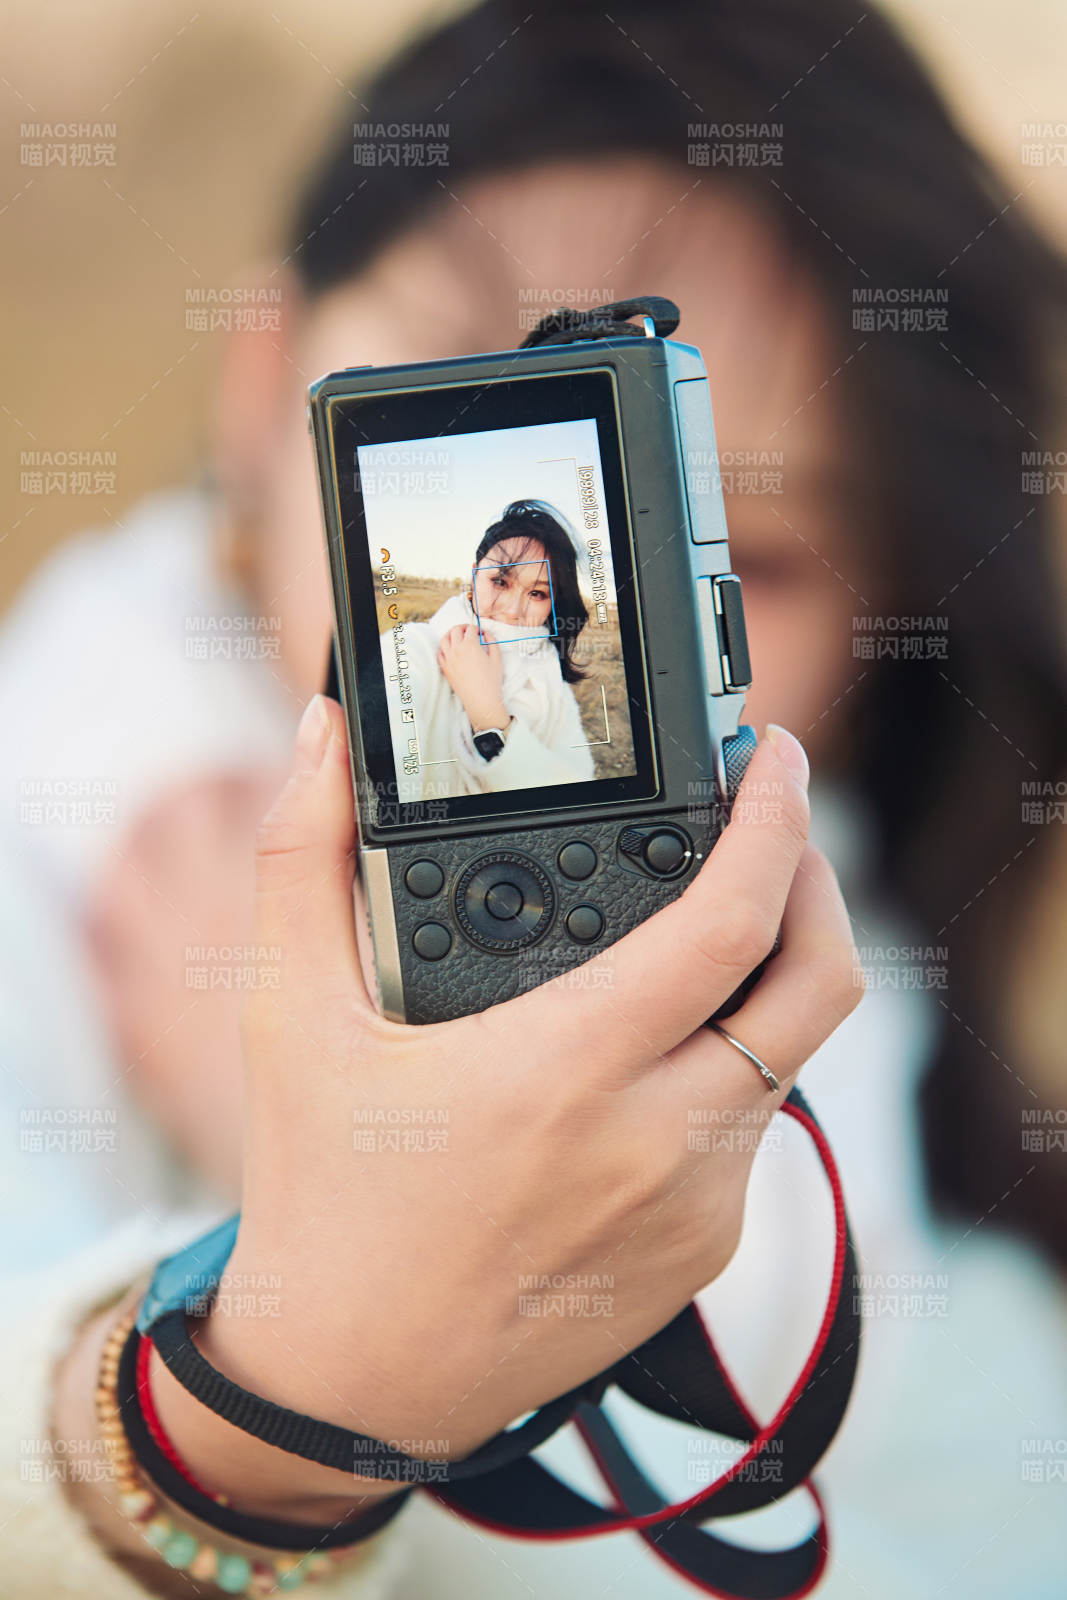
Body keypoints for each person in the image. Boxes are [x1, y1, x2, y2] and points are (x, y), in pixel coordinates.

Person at [2, 0, 1066, 1595]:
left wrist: (294, 1177)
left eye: (740, 555)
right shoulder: (59, 805)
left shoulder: (959, 1269)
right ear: (263, 385)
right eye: (471, 421)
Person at [382, 499, 596, 801]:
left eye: (537, 593)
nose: (512, 610)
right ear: (474, 576)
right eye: (500, 581)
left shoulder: (554, 690)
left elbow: (578, 799)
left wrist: (489, 715)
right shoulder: (413, 648)